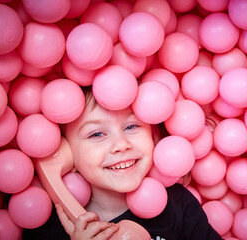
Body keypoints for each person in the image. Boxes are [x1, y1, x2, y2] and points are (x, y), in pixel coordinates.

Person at [23, 86, 223, 240]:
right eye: (97, 134)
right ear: (66, 153)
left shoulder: (179, 205)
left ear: (153, 136)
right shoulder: (47, 225)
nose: (121, 144)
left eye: (131, 126)